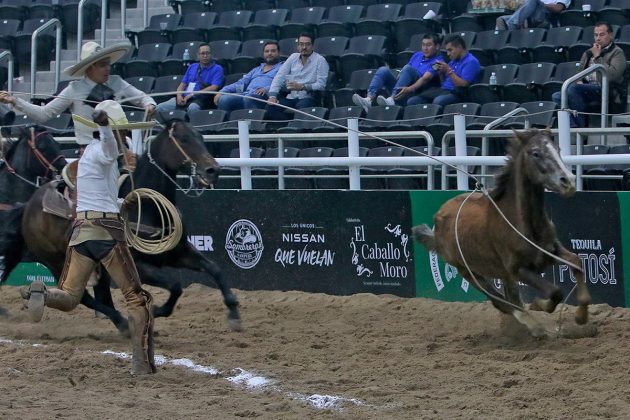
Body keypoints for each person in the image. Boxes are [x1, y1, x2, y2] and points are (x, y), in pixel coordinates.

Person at [21, 100, 157, 375]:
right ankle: (141, 363)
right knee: (136, 298)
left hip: (81, 231)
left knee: (70, 296)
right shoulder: (106, 149)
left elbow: (101, 197)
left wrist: (123, 203)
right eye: (124, 134)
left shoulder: (87, 158)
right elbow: (109, 145)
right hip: (105, 232)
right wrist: (105, 124)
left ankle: (43, 293)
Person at [0, 41, 156, 146]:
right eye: (102, 65)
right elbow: (44, 114)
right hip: (89, 149)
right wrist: (15, 101)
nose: (108, 69)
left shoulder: (117, 82)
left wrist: (149, 104)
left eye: (108, 64)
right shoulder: (74, 89)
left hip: (119, 148)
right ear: (90, 68)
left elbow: (142, 97)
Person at [552, 22, 627, 128]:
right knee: (557, 96)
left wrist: (597, 57)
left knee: (574, 89)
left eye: (602, 34)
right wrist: (578, 80)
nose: (598, 38)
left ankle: (580, 128)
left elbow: (612, 76)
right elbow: (579, 73)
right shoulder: (588, 53)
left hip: (606, 89)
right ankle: (574, 126)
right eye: (596, 35)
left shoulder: (617, 52)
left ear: (610, 35)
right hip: (586, 89)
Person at [352, 33, 443, 111]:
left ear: (437, 46)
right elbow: (403, 73)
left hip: (416, 94)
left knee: (407, 68)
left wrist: (409, 88)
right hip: (402, 91)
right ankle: (369, 99)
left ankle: (392, 99)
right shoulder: (417, 55)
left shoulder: (439, 62)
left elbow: (426, 78)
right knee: (383, 70)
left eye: (429, 45)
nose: (425, 48)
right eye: (423, 45)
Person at [266, 33, 329, 120]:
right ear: (298, 46)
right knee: (271, 108)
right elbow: (279, 77)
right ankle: (286, 127)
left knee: (303, 107)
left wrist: (303, 87)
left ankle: (297, 129)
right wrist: (272, 96)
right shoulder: (293, 57)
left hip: (308, 97)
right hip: (291, 97)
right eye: (301, 44)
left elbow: (321, 85)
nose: (304, 47)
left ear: (313, 46)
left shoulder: (320, 60)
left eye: (307, 44)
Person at [407, 34, 481, 108]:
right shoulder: (453, 61)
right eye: (447, 51)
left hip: (457, 93)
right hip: (443, 90)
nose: (448, 54)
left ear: (459, 47)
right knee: (413, 101)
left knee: (438, 101)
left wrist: (448, 70)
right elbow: (443, 83)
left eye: (450, 50)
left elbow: (463, 85)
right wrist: (441, 73)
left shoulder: (471, 61)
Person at [156, 43, 224, 116]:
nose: (205, 56)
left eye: (207, 53)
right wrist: (179, 95)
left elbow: (214, 87)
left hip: (202, 99)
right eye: (202, 53)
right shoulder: (192, 67)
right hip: (184, 97)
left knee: (192, 108)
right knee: (159, 107)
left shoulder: (217, 68)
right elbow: (182, 84)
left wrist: (192, 94)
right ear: (198, 55)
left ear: (211, 54)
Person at [214, 41, 283, 112]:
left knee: (248, 98)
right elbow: (241, 83)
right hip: (247, 94)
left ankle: (254, 121)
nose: (269, 53)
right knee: (224, 99)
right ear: (263, 54)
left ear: (279, 53)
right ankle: (229, 122)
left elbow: (282, 84)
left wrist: (267, 89)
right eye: (267, 51)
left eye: (273, 51)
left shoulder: (282, 68)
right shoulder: (256, 69)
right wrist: (222, 91)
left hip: (265, 96)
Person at [496, 0, 571, 31]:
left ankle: (513, 24)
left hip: (546, 16)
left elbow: (558, 8)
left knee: (534, 0)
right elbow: (524, 7)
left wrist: (543, 5)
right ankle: (501, 47)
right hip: (528, 16)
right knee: (500, 19)